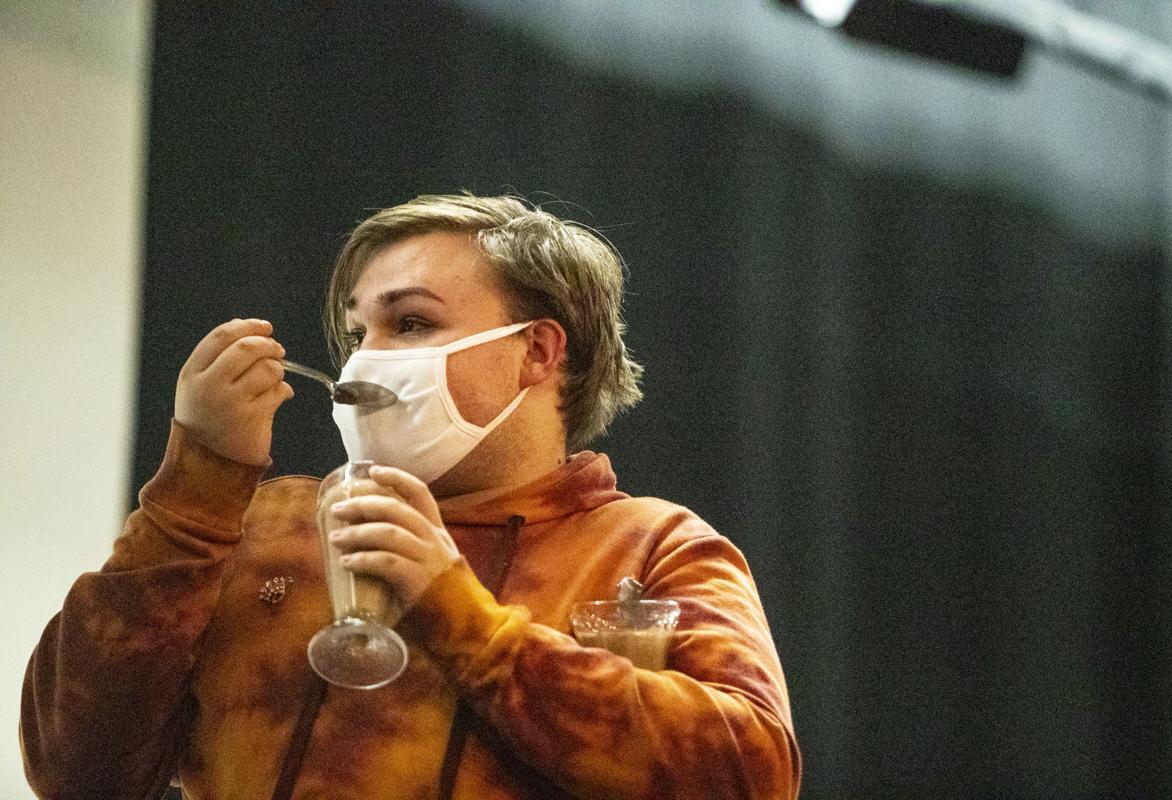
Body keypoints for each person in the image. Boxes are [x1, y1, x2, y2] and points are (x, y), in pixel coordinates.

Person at [21, 194, 801, 799]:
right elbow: (72, 770)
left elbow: (753, 774)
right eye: (358, 334)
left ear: (537, 351)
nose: (365, 365)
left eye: (411, 323)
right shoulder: (262, 525)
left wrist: (468, 623)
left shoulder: (651, 547)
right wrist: (192, 495)